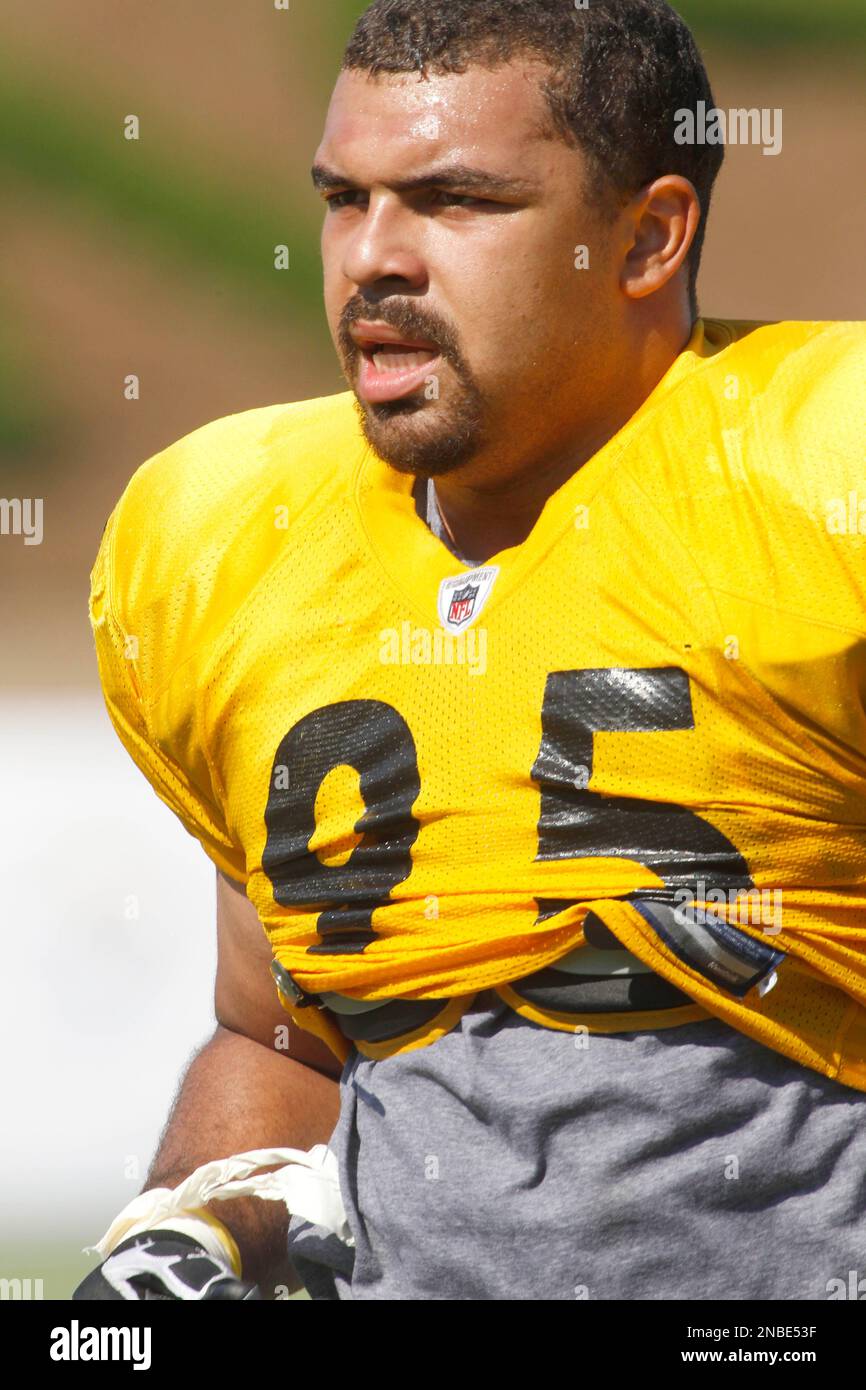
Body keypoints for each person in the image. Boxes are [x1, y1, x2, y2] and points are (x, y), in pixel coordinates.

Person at [76, 0, 866, 1302]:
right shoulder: (221, 538)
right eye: (346, 197)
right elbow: (286, 1043)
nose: (371, 258)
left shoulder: (816, 481)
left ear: (646, 236)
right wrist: (183, 1234)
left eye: (453, 201)